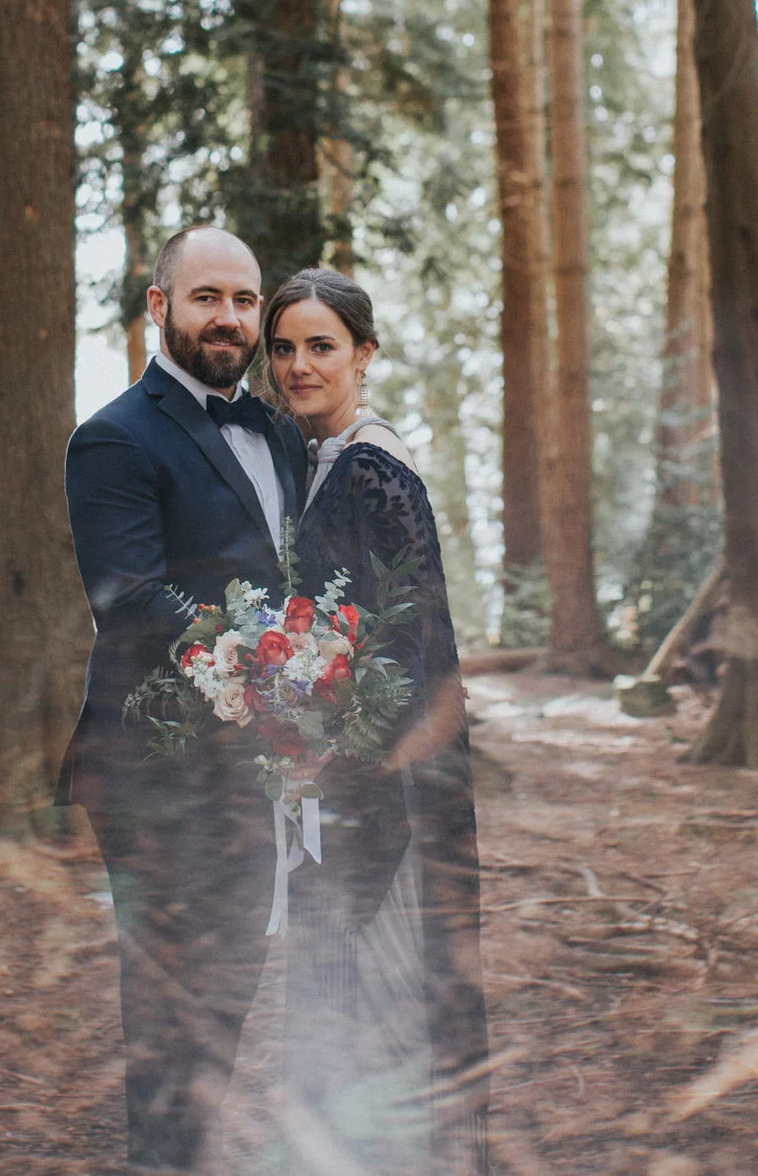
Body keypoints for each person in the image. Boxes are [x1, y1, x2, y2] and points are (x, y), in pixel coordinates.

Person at [62, 226, 309, 1174]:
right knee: (173, 1002)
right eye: (208, 297)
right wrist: (272, 659)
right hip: (153, 769)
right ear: (159, 305)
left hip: (249, 762)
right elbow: (129, 599)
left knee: (233, 976)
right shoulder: (114, 437)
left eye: (245, 300)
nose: (230, 318)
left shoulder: (277, 432)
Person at [266, 267, 491, 1175]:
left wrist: (336, 746)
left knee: (382, 995)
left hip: (384, 790)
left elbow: (411, 640)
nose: (298, 365)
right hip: (335, 778)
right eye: (284, 348)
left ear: (364, 354)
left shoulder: (373, 469)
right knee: (335, 998)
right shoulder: (317, 460)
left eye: (321, 346)